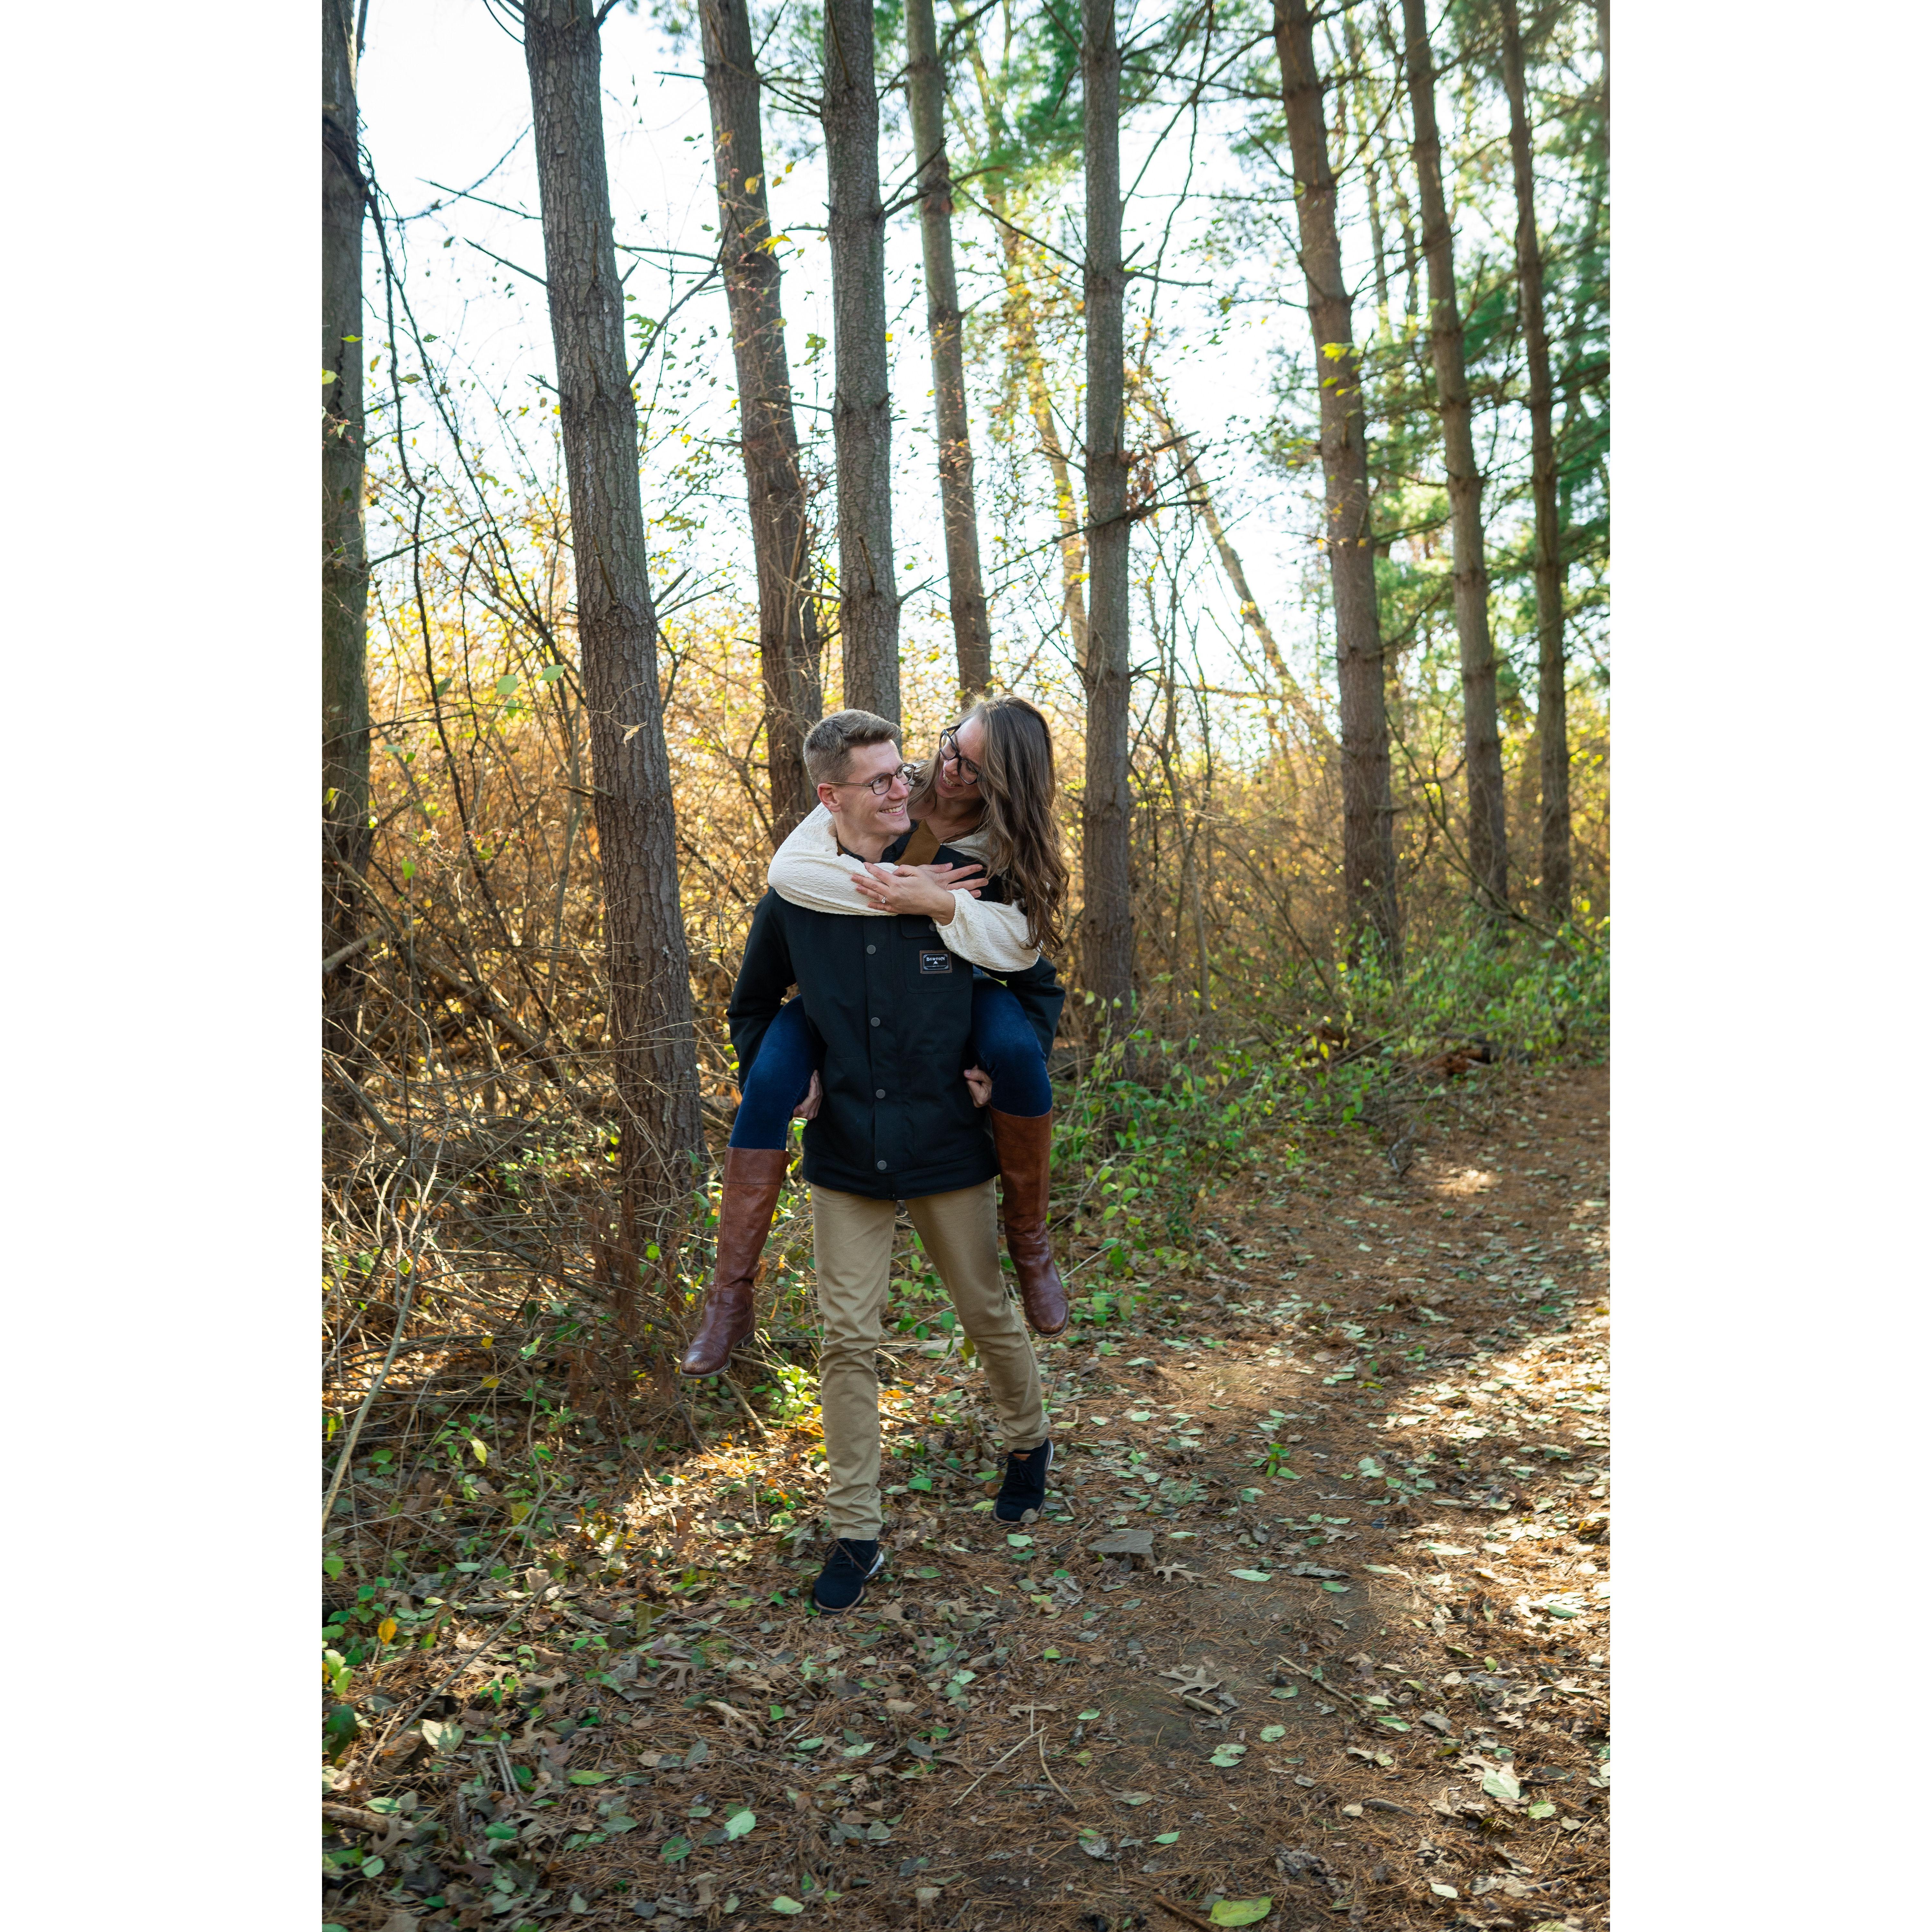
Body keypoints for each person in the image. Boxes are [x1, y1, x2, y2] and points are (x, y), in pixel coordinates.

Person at [691, 709, 1063, 1611]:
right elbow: (752, 1006)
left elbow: (1035, 984)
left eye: (907, 773)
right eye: (885, 780)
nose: (911, 786)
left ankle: (1029, 1439)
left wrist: (1004, 1069)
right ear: (833, 798)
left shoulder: (960, 882)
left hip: (945, 1143)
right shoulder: (800, 895)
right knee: (846, 1341)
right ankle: (855, 1531)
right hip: (848, 1150)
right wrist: (789, 1078)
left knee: (985, 1312)